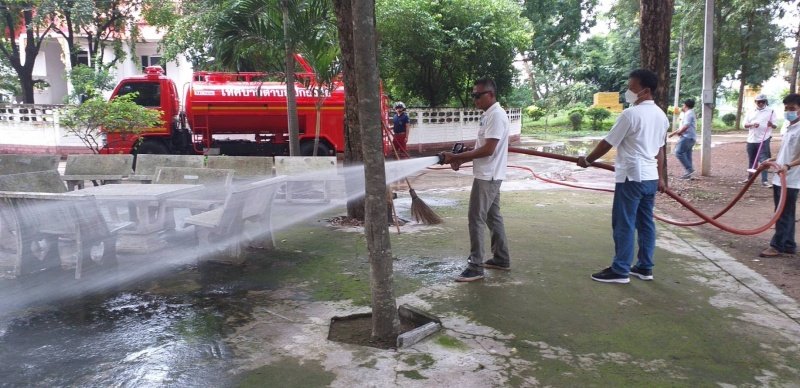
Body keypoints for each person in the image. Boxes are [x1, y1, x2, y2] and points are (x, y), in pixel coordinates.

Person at [577, 69, 669, 284]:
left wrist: (587, 160)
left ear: (646, 90)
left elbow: (607, 143)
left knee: (624, 223)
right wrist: (661, 178)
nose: (628, 92)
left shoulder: (630, 115)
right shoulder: (661, 115)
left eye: (632, 88)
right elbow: (660, 150)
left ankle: (620, 270)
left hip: (632, 177)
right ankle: (645, 267)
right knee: (645, 223)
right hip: (650, 178)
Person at [441, 77, 511, 282]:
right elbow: (483, 146)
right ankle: (501, 258)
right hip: (490, 174)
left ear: (491, 94)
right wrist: (461, 157)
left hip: (488, 176)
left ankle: (475, 266)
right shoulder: (489, 115)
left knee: (476, 218)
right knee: (492, 217)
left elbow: (489, 150)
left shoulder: (496, 115)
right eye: (473, 95)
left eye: (478, 95)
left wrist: (456, 157)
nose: (475, 99)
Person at [759, 93, 800, 258]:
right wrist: (772, 159)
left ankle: (777, 246)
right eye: (787, 108)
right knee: (786, 212)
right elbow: (787, 151)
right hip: (780, 176)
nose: (789, 112)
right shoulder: (790, 127)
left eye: (792, 108)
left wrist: (788, 166)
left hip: (790, 179)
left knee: (782, 213)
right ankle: (789, 244)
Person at [743, 94, 778, 187]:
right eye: (759, 102)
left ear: (766, 102)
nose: (761, 103)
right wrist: (752, 124)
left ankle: (764, 181)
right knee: (752, 159)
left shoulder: (771, 111)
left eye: (763, 101)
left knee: (764, 160)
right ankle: (750, 178)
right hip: (751, 139)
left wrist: (771, 125)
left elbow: (775, 125)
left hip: (764, 138)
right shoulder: (750, 111)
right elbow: (744, 124)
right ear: (756, 102)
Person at [668, 99, 696, 179]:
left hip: (687, 137)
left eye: (683, 105)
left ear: (685, 105)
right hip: (691, 137)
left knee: (678, 152)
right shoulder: (690, 113)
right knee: (687, 154)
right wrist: (673, 134)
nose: (682, 107)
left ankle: (689, 169)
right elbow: (682, 127)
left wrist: (680, 133)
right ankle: (688, 174)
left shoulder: (688, 114)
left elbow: (686, 126)